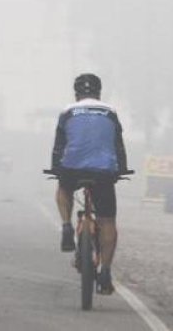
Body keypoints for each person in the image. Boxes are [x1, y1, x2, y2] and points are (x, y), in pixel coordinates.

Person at [51, 73, 127, 295]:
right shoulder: (110, 112)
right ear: (98, 92)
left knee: (63, 188)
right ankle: (105, 272)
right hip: (103, 169)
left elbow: (59, 145)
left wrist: (57, 168)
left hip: (73, 167)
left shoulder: (67, 111)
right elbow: (118, 145)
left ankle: (66, 226)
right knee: (108, 219)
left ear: (76, 94)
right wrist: (120, 169)